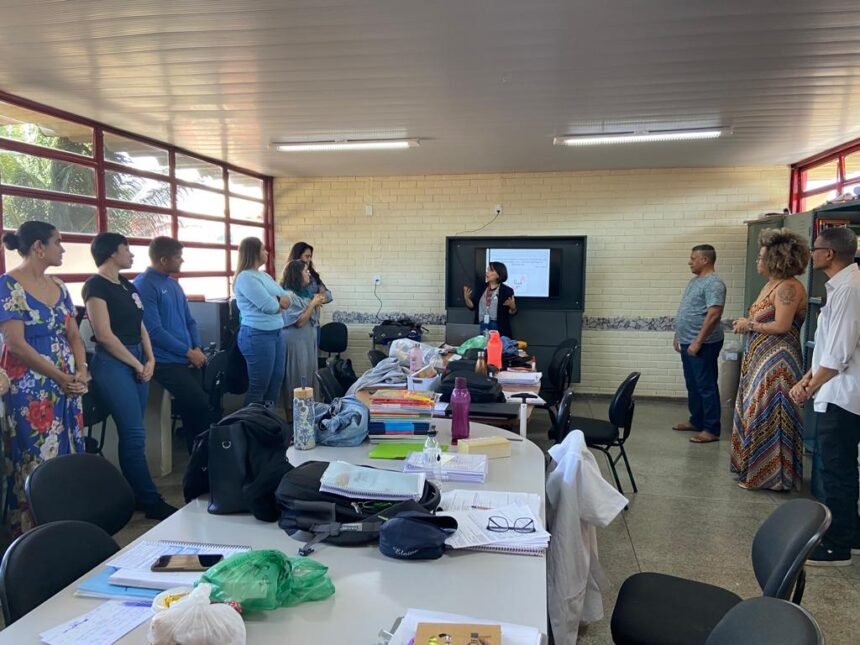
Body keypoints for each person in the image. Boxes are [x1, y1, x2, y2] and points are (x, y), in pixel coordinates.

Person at [0, 221, 88, 536]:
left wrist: (81, 370)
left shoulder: (60, 286)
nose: (62, 249)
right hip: (30, 387)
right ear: (39, 247)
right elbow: (15, 344)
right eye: (58, 242)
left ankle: (66, 527)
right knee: (34, 459)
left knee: (69, 452)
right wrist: (60, 376)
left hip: (67, 384)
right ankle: (34, 535)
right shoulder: (8, 286)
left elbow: (74, 335)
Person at [84, 232, 177, 520]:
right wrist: (137, 364)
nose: (132, 254)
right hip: (113, 362)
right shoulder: (95, 286)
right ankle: (150, 500)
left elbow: (141, 325)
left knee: (136, 433)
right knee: (134, 434)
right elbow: (104, 335)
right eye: (126, 249)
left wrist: (149, 358)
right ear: (112, 252)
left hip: (137, 358)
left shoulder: (126, 285)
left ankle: (138, 493)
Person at [790, 227, 860, 566]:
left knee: (835, 470)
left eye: (815, 249)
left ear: (829, 254)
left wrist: (809, 386)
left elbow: (838, 355)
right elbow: (828, 350)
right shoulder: (843, 285)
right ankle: (852, 533)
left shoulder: (849, 288)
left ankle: (837, 546)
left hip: (842, 395)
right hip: (835, 388)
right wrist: (809, 378)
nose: (811, 255)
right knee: (840, 467)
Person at [730, 229, 808, 490]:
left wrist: (750, 324)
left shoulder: (789, 287)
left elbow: (782, 325)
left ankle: (771, 476)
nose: (758, 261)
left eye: (762, 257)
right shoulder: (771, 284)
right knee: (755, 410)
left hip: (778, 362)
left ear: (776, 259)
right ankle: (754, 469)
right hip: (760, 358)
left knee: (771, 413)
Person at [134, 237, 214, 453]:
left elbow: (190, 320)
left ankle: (200, 458)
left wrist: (197, 348)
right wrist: (188, 352)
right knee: (199, 405)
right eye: (178, 257)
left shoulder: (173, 284)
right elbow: (154, 331)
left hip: (189, 357)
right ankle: (203, 457)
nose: (182, 261)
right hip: (165, 362)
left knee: (197, 409)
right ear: (163, 259)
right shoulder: (144, 285)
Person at [672, 244, 727, 444]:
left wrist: (698, 341)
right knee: (693, 384)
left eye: (693, 258)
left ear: (705, 260)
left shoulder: (714, 283)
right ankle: (696, 421)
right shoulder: (695, 281)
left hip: (704, 343)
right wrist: (678, 335)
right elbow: (686, 309)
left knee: (705, 385)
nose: (690, 262)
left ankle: (711, 429)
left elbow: (714, 314)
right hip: (687, 340)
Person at [233, 237, 290, 405]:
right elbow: (269, 306)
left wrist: (278, 301)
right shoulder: (245, 278)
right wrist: (278, 301)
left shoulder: (264, 276)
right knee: (260, 385)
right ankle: (250, 420)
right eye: (263, 249)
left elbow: (287, 298)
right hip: (257, 335)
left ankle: (267, 418)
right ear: (254, 252)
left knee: (276, 380)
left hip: (276, 332)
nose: (267, 252)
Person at [280, 260, 327, 410]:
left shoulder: (304, 294)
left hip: (306, 341)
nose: (308, 275)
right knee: (297, 376)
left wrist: (315, 302)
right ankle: (294, 414)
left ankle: (309, 411)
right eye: (305, 272)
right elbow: (299, 322)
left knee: (308, 374)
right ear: (296, 275)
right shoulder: (288, 296)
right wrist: (312, 304)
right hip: (296, 342)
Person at [463, 261, 517, 338]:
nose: (487, 273)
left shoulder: (507, 291)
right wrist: (467, 298)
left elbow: (511, 312)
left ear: (499, 274)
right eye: (487, 270)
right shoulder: (481, 288)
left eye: (490, 270)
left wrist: (513, 307)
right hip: (481, 325)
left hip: (498, 327)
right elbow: (472, 306)